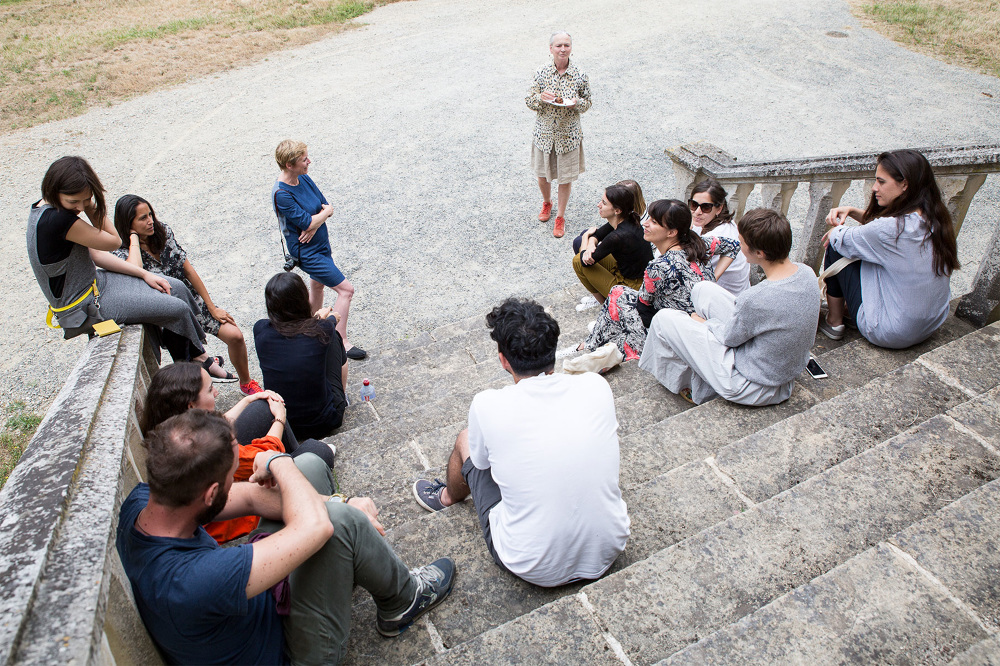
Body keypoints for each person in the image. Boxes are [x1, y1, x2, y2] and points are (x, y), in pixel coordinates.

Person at [116, 410, 455, 665]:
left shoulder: (147, 500)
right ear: (210, 494)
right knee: (338, 522)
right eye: (233, 474)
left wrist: (342, 499)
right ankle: (403, 601)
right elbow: (317, 527)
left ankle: (350, 548)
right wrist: (277, 460)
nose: (240, 479)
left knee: (308, 465)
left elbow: (249, 497)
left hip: (254, 607)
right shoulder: (191, 581)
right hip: (289, 653)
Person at [411, 298, 629, 587]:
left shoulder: (487, 405)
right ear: (553, 349)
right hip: (607, 550)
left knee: (466, 440)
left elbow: (481, 464)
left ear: (503, 359)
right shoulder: (596, 386)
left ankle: (447, 497)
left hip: (533, 565)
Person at [27, 156, 217, 369]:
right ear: (54, 189)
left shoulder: (43, 207)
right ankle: (197, 362)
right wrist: (91, 207)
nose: (79, 207)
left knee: (176, 287)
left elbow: (97, 256)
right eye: (74, 201)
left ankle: (195, 357)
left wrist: (145, 274)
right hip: (84, 304)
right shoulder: (58, 220)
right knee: (177, 308)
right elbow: (114, 241)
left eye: (86, 199)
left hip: (95, 284)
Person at [140, 362, 337, 543]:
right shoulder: (205, 452)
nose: (216, 393)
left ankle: (295, 456)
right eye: (210, 389)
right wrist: (280, 418)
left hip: (222, 492)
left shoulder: (171, 437)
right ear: (191, 406)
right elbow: (264, 453)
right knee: (316, 451)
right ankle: (298, 461)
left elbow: (221, 424)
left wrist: (248, 400)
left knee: (260, 406)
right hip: (240, 522)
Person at [640, 208, 821, 405]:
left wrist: (703, 322)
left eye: (742, 242)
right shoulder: (807, 273)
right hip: (780, 371)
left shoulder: (756, 298)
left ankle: (686, 384)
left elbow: (729, 337)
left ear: (759, 253)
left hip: (751, 384)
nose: (739, 246)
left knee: (664, 318)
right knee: (703, 289)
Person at [113, 194, 262, 395]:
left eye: (150, 214)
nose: (150, 221)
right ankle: (203, 369)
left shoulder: (162, 231)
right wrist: (133, 239)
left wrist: (211, 306)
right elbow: (135, 268)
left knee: (235, 335)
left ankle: (246, 383)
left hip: (191, 300)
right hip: (167, 316)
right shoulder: (122, 252)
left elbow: (188, 270)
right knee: (188, 371)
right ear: (127, 224)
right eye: (142, 218)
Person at [563, 199, 740, 362]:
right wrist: (712, 280)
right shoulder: (700, 243)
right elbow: (734, 246)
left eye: (654, 222)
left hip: (675, 327)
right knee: (620, 301)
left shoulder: (659, 266)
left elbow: (643, 307)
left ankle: (592, 345)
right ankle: (601, 337)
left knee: (619, 294)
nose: (645, 224)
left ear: (672, 232)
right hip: (697, 315)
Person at [819, 149, 959, 348]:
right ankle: (851, 311)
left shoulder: (889, 230)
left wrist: (835, 231)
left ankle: (834, 322)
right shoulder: (934, 217)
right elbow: (879, 232)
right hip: (930, 323)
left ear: (904, 184)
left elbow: (850, 237)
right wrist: (851, 211)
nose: (875, 188)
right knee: (864, 247)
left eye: (881, 182)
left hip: (891, 331)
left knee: (837, 246)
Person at [272, 139, 366, 360]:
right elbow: (309, 220)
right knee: (346, 290)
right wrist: (315, 220)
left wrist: (315, 222)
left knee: (317, 286)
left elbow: (325, 206)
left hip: (321, 244)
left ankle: (309, 330)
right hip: (307, 252)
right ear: (289, 165)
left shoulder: (302, 177)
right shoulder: (281, 194)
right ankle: (340, 341)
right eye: (304, 159)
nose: (309, 161)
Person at [254, 272, 349, 440]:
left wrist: (320, 318)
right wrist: (330, 317)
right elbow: (323, 326)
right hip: (325, 421)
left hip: (282, 424)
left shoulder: (261, 330)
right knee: (334, 338)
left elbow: (297, 333)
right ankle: (341, 397)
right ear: (303, 299)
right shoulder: (322, 330)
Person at [525, 31, 592, 238]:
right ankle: (547, 202)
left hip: (568, 135)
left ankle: (560, 216)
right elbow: (529, 100)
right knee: (542, 175)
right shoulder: (541, 72)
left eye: (566, 45)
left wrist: (576, 103)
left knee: (565, 178)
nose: (563, 49)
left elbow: (587, 102)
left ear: (571, 47)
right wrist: (540, 98)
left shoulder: (580, 74)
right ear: (551, 49)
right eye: (558, 46)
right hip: (544, 134)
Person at [571, 183, 653, 306]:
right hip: (630, 272)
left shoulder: (619, 236)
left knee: (578, 261)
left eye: (604, 203)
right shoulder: (628, 217)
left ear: (617, 210)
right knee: (585, 246)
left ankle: (606, 307)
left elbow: (584, 261)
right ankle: (606, 302)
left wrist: (585, 238)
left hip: (631, 286)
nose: (598, 205)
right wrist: (591, 243)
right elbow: (597, 235)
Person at [689, 178, 750, 295]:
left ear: (719, 208)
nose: (697, 211)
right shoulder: (726, 223)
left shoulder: (716, 236)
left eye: (705, 207)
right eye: (694, 204)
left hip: (726, 299)